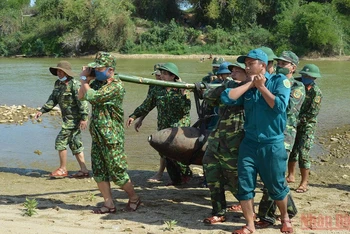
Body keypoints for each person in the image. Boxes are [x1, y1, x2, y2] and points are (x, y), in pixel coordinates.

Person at [221, 49, 293, 234]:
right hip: (250, 143)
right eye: (246, 63)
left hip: (272, 144)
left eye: (250, 63)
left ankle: (285, 217)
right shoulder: (246, 84)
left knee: (276, 184)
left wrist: (261, 87)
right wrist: (250, 84)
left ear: (263, 64)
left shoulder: (279, 81)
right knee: (245, 184)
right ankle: (250, 225)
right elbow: (226, 98)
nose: (246, 66)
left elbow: (279, 107)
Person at [78, 52, 140, 214]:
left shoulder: (116, 86)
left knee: (117, 172)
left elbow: (93, 97)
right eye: (95, 68)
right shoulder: (98, 83)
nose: (96, 71)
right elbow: (81, 96)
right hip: (98, 135)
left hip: (111, 136)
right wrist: (88, 80)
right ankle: (109, 204)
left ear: (110, 70)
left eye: (100, 68)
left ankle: (134, 197)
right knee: (99, 171)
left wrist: (84, 79)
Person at [255, 51, 304, 229]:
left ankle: (266, 216)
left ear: (293, 67)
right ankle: (289, 209)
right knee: (276, 177)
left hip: (285, 136)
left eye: (285, 64)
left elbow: (284, 108)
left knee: (273, 177)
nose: (280, 66)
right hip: (269, 133)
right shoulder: (271, 81)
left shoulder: (296, 87)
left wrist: (270, 89)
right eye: (279, 63)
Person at [126, 62, 193, 186]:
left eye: (164, 74)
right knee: (165, 152)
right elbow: (147, 104)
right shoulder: (158, 88)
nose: (161, 76)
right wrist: (134, 116)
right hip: (163, 124)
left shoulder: (181, 88)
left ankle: (186, 175)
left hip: (178, 126)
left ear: (173, 76)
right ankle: (175, 180)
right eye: (161, 73)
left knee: (178, 151)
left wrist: (183, 94)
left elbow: (185, 109)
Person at [202, 62, 247, 224]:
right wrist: (225, 87)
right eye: (232, 71)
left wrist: (246, 85)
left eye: (237, 71)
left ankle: (248, 209)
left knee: (235, 179)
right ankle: (218, 212)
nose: (233, 74)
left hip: (235, 143)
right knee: (212, 175)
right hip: (216, 140)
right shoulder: (227, 87)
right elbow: (208, 95)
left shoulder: (253, 91)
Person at [35, 61, 89, 179]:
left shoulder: (74, 84)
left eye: (61, 71)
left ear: (66, 72)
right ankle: (84, 170)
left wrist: (84, 118)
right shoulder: (58, 84)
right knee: (75, 144)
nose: (58, 73)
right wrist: (42, 110)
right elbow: (53, 99)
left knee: (60, 141)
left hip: (74, 120)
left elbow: (82, 101)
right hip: (66, 119)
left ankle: (63, 169)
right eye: (57, 71)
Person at [127, 63, 166, 182]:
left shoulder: (178, 86)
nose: (158, 78)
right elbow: (148, 104)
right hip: (163, 121)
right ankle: (160, 173)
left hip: (177, 123)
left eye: (161, 75)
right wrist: (139, 118)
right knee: (163, 148)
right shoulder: (154, 86)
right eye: (157, 75)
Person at [287, 64, 323, 193]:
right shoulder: (296, 85)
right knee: (292, 149)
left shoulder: (316, 93)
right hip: (293, 123)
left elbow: (312, 113)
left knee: (303, 152)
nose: (305, 78)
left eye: (308, 76)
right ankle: (291, 175)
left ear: (314, 78)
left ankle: (304, 182)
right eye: (304, 75)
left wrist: (297, 120)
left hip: (307, 125)